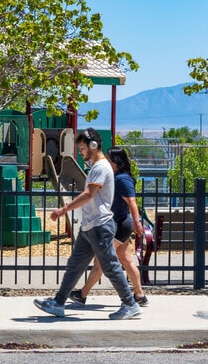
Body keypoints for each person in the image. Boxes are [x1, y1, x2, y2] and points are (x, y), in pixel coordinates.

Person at [33, 128, 143, 320]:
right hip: (90, 226)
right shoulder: (97, 167)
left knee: (110, 266)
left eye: (83, 148)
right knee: (75, 265)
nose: (81, 151)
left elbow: (89, 194)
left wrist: (63, 210)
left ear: (93, 145)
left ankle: (130, 303)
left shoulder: (100, 167)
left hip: (100, 226)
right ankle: (58, 303)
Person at [68, 147, 148, 306]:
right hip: (117, 224)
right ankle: (139, 295)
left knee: (100, 261)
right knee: (126, 260)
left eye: (108, 159)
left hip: (119, 224)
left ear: (116, 162)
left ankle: (82, 294)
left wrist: (137, 222)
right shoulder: (115, 177)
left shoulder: (122, 179)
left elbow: (132, 202)